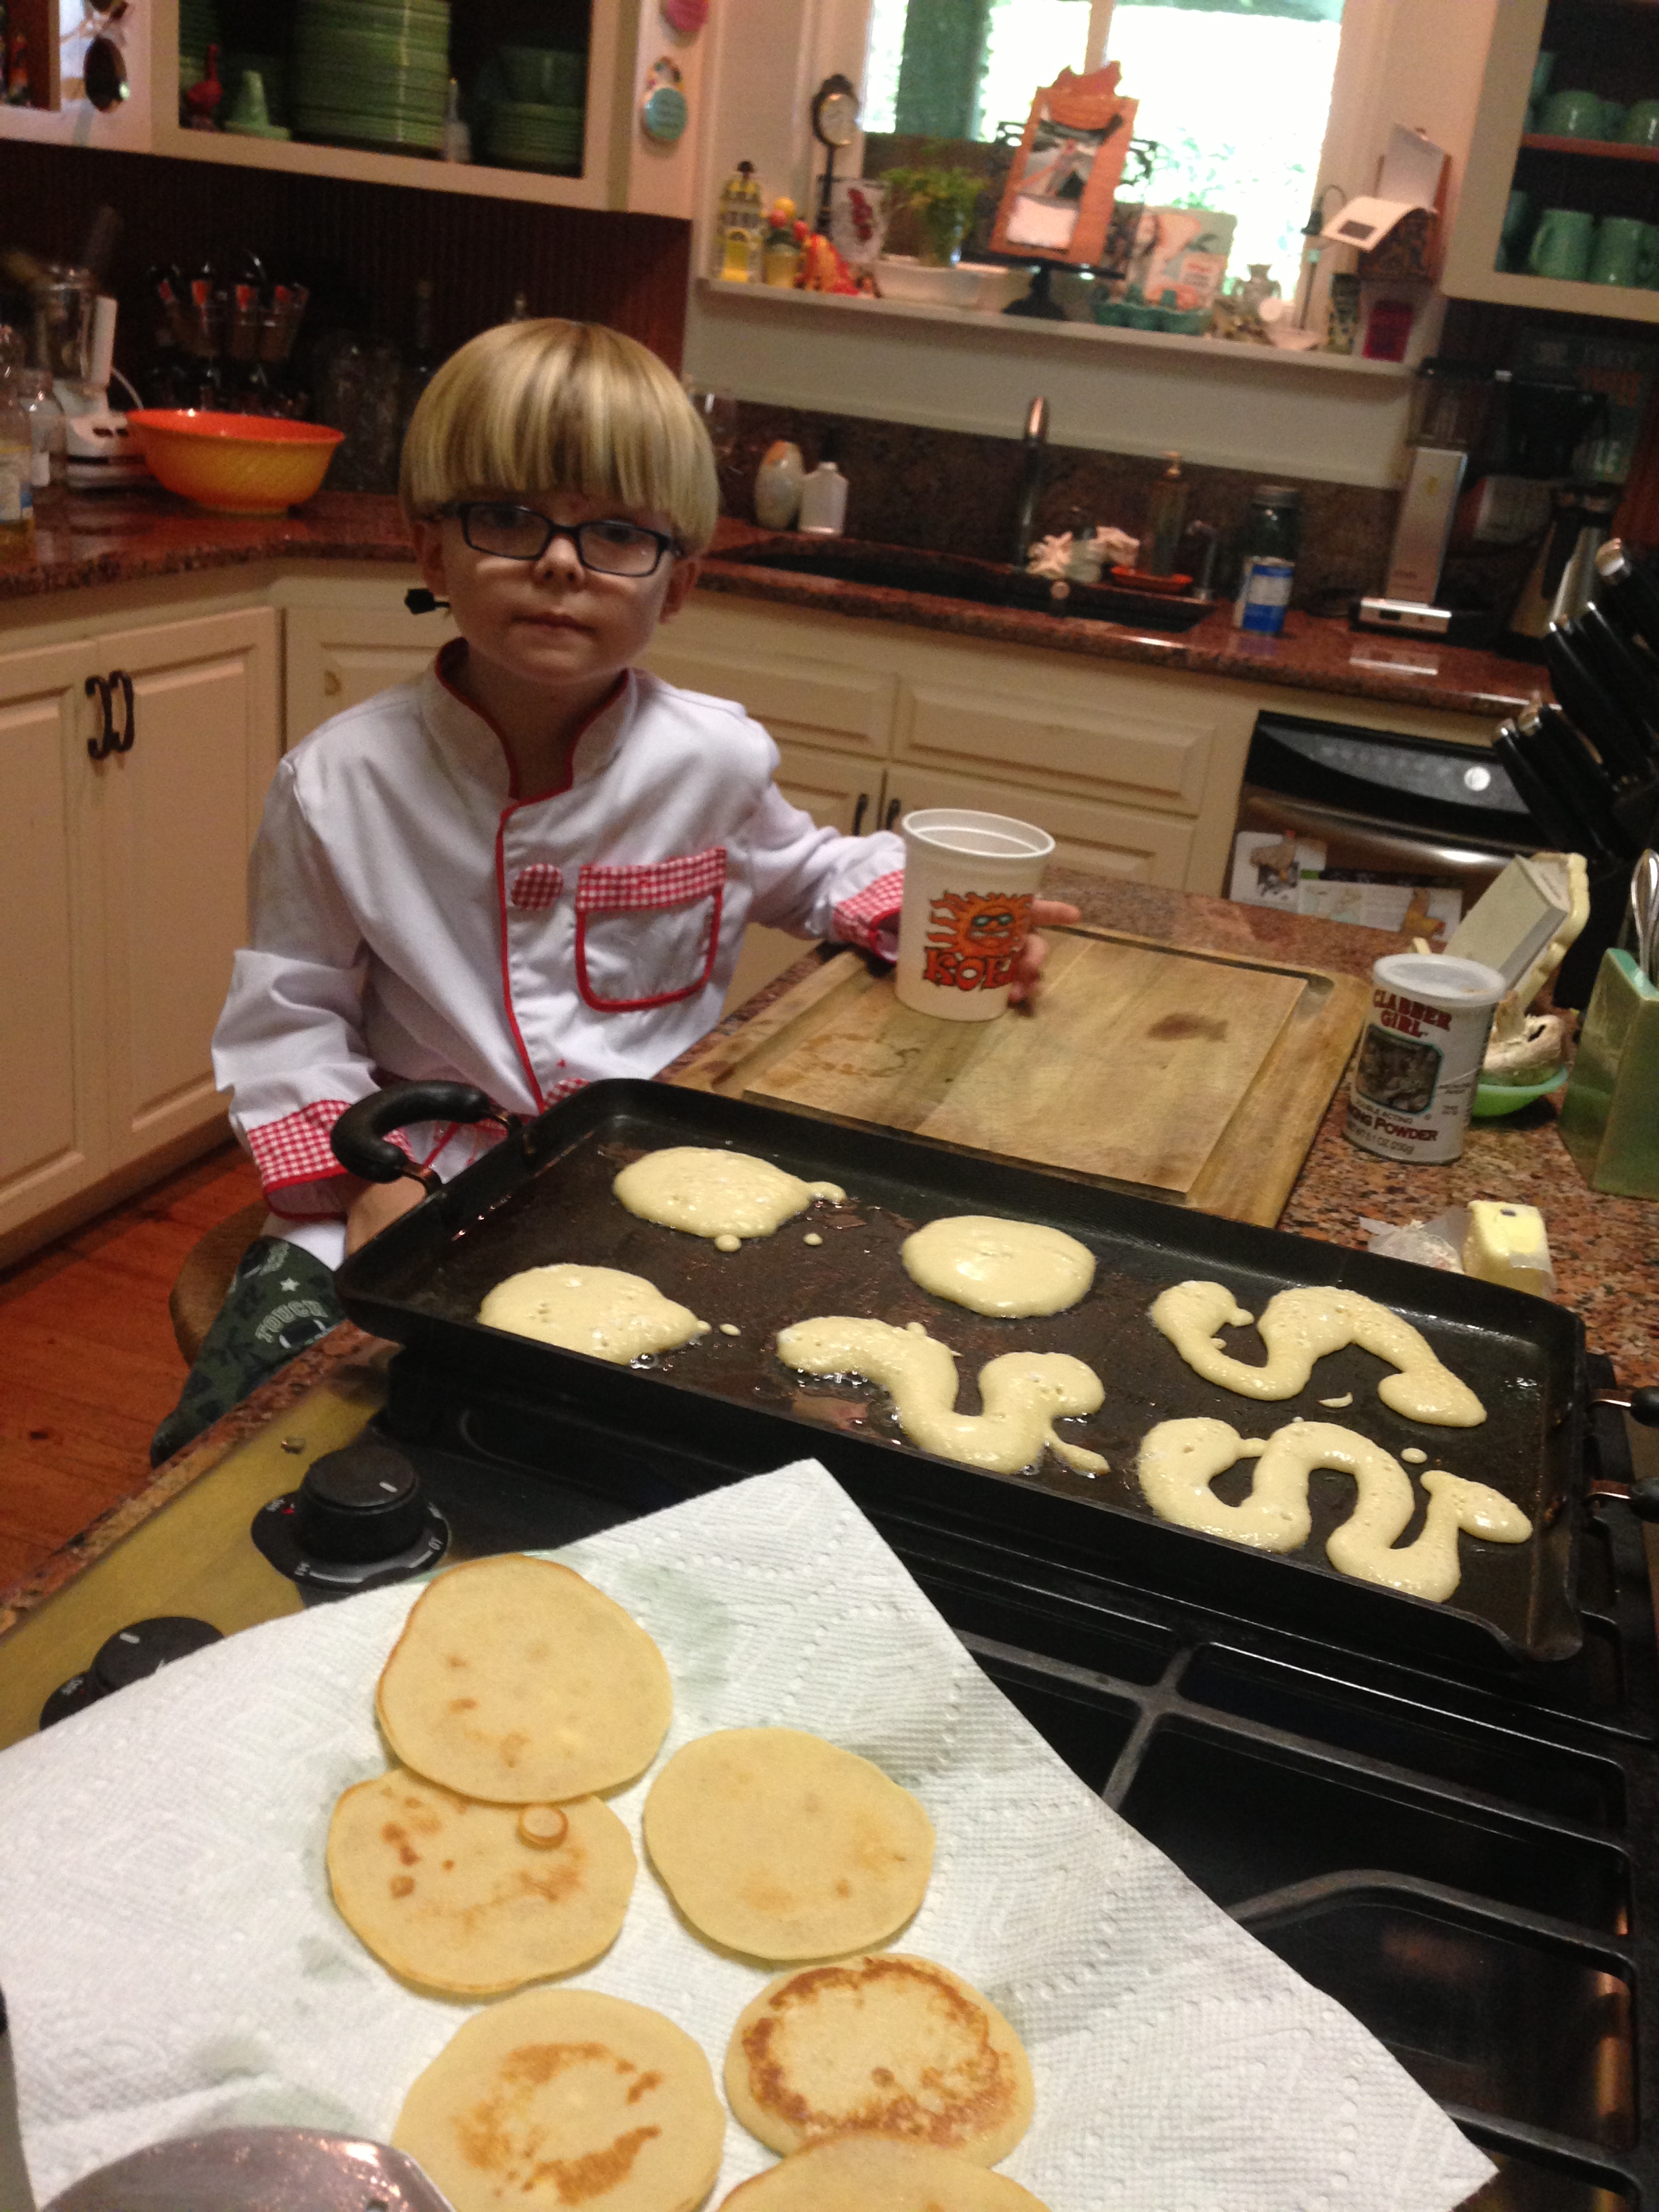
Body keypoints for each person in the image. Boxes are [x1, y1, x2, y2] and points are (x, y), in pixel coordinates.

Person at [152, 318, 1075, 1461]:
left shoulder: (713, 764)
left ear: (677, 585)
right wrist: (363, 1187)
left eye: (619, 533)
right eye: (506, 516)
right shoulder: (339, 784)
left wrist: (932, 910)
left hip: (658, 1181)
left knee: (725, 1415)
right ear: (431, 551)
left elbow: (809, 872)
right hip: (423, 1173)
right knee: (280, 1398)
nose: (560, 561)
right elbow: (290, 1014)